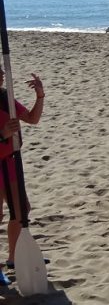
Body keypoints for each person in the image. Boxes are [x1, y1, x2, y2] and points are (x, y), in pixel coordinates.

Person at [0, 68, 44, 266]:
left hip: (9, 161)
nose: (2, 73)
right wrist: (2, 134)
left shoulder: (5, 98)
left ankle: (13, 258)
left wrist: (40, 95)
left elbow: (32, 119)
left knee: (21, 210)